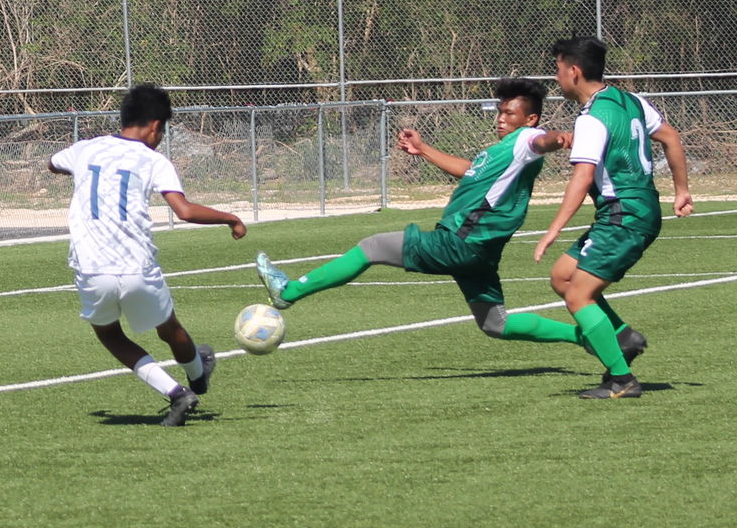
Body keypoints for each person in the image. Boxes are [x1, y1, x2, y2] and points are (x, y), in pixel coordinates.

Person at [255, 77, 585, 352]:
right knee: (495, 324)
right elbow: (469, 171)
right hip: (479, 252)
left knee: (372, 247)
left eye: (509, 113)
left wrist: (560, 138)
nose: (501, 118)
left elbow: (543, 141)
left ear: (529, 119)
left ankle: (288, 293)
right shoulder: (505, 151)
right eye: (499, 112)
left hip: (458, 242)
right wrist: (424, 149)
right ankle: (583, 337)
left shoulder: (526, 140)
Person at [48, 83, 247, 427]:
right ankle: (197, 374)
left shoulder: (87, 149)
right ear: (156, 126)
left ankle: (177, 393)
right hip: (137, 264)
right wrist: (231, 217)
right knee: (169, 328)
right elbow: (183, 211)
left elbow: (53, 164)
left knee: (110, 334)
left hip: (92, 267)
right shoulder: (154, 160)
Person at [533, 36, 692, 399]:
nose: (556, 79)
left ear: (574, 71)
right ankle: (622, 336)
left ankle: (622, 381)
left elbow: (582, 177)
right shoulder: (629, 100)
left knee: (577, 296)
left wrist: (552, 230)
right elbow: (670, 137)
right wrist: (681, 190)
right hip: (634, 209)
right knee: (562, 276)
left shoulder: (591, 118)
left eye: (558, 70)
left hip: (625, 215)